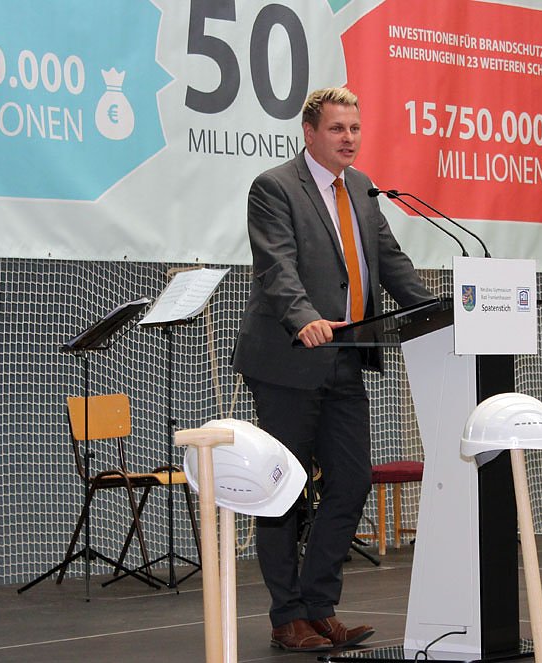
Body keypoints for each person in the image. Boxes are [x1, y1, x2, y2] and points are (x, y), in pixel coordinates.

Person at [232, 87, 433, 651]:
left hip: (346, 356)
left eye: (355, 128)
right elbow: (277, 267)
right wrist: (304, 319)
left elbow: (390, 263)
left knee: (350, 481)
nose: (349, 138)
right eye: (338, 128)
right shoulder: (275, 187)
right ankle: (287, 617)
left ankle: (319, 607)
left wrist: (436, 313)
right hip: (289, 360)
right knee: (285, 491)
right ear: (310, 133)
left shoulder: (362, 189)